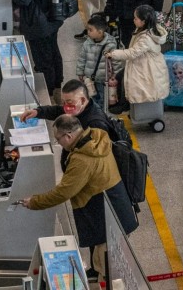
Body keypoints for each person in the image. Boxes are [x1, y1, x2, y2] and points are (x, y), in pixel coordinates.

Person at [20, 114, 138, 278]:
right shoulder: (96, 137)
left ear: (68, 136)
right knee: (104, 262)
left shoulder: (82, 159)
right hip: (117, 210)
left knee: (109, 269)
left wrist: (34, 202)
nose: (59, 143)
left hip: (108, 219)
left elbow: (64, 192)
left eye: (58, 139)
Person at [107, 4, 169, 111]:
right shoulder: (147, 30)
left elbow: (132, 53)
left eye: (135, 18)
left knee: (126, 80)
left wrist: (113, 54)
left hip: (146, 68)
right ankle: (124, 104)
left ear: (143, 21)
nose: (133, 20)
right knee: (121, 76)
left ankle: (125, 105)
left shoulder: (146, 38)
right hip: (145, 64)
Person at [75, 14, 119, 109]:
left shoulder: (110, 44)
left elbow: (115, 61)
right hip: (90, 78)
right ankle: (94, 111)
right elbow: (82, 58)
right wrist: (80, 72)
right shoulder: (87, 43)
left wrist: (115, 75)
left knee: (102, 98)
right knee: (91, 97)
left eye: (90, 30)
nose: (88, 32)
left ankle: (100, 113)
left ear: (100, 32)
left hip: (103, 79)